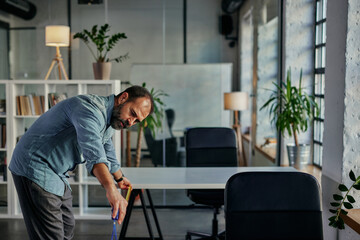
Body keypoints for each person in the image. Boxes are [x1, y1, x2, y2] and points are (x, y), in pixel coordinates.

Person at [9, 85, 154, 240]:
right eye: (132, 114)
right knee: (51, 235)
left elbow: (105, 146)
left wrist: (119, 177)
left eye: (137, 121)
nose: (131, 122)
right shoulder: (89, 110)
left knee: (68, 227)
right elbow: (95, 155)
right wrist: (111, 189)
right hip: (34, 165)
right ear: (123, 98)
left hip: (57, 171)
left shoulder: (111, 118)